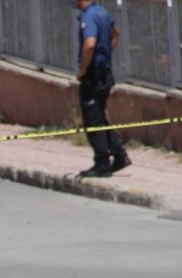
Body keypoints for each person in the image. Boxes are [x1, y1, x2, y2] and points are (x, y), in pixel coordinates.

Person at [73, 0, 130, 178]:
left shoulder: (89, 17)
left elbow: (90, 44)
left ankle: (102, 164)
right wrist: (105, 54)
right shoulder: (102, 12)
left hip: (93, 76)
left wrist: (83, 69)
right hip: (105, 74)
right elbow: (115, 33)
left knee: (92, 120)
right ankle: (119, 155)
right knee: (99, 118)